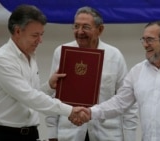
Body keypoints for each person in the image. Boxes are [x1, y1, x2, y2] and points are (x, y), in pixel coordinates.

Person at [71, 20, 160, 141]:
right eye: (143, 40)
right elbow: (119, 102)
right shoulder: (137, 71)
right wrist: (91, 112)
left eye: (150, 40)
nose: (145, 45)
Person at [0, 4, 88, 141]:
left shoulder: (30, 55)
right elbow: (29, 97)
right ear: (18, 31)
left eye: (41, 35)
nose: (40, 41)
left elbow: (30, 97)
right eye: (35, 35)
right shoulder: (2, 59)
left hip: (29, 134)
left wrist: (49, 86)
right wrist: (70, 111)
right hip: (1, 135)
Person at [45, 6, 139, 141]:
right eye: (76, 26)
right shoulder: (61, 52)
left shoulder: (114, 55)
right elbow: (53, 97)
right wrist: (52, 134)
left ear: (100, 30)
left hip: (107, 134)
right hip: (69, 134)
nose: (79, 32)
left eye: (86, 27)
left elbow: (127, 100)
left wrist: (130, 137)